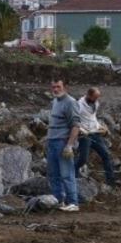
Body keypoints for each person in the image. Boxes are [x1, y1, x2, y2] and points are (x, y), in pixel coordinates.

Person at [47, 78, 81, 212]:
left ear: (65, 87)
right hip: (52, 142)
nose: (55, 89)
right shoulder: (55, 101)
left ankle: (73, 202)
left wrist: (69, 145)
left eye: (58, 87)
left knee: (67, 173)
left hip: (62, 142)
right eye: (53, 87)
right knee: (53, 174)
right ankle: (58, 200)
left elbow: (76, 126)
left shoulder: (70, 103)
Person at [75, 86, 118, 186]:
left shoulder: (95, 103)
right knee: (82, 160)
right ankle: (73, 175)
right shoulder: (79, 106)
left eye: (97, 97)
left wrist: (101, 127)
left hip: (95, 133)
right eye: (95, 97)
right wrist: (81, 130)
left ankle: (111, 182)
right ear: (89, 95)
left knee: (106, 155)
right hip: (85, 136)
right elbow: (73, 121)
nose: (96, 100)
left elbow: (92, 118)